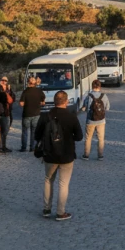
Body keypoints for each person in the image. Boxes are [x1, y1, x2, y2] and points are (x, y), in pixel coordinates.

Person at [34, 90, 83, 221]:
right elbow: (79, 137)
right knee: (63, 183)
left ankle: (46, 209)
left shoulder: (45, 116)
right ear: (66, 101)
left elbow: (36, 135)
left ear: (54, 101)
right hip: (67, 155)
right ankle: (61, 212)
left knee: (48, 180)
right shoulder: (71, 116)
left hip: (49, 154)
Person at [80, 80, 110, 160]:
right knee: (101, 139)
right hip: (101, 121)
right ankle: (100, 155)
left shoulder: (88, 96)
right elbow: (107, 108)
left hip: (90, 120)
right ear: (100, 87)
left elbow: (83, 108)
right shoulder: (104, 96)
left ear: (92, 86)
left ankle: (86, 155)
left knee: (88, 138)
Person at [19, 76, 46, 152]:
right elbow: (43, 102)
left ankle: (24, 147)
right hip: (36, 114)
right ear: (35, 83)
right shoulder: (39, 91)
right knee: (34, 131)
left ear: (28, 82)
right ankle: (32, 147)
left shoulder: (25, 91)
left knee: (25, 131)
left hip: (26, 114)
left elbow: (21, 104)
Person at [0, 76, 15, 153]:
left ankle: (3, 146)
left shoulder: (9, 91)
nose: (4, 82)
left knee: (5, 131)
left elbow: (12, 100)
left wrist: (8, 91)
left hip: (7, 113)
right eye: (2, 80)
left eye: (5, 80)